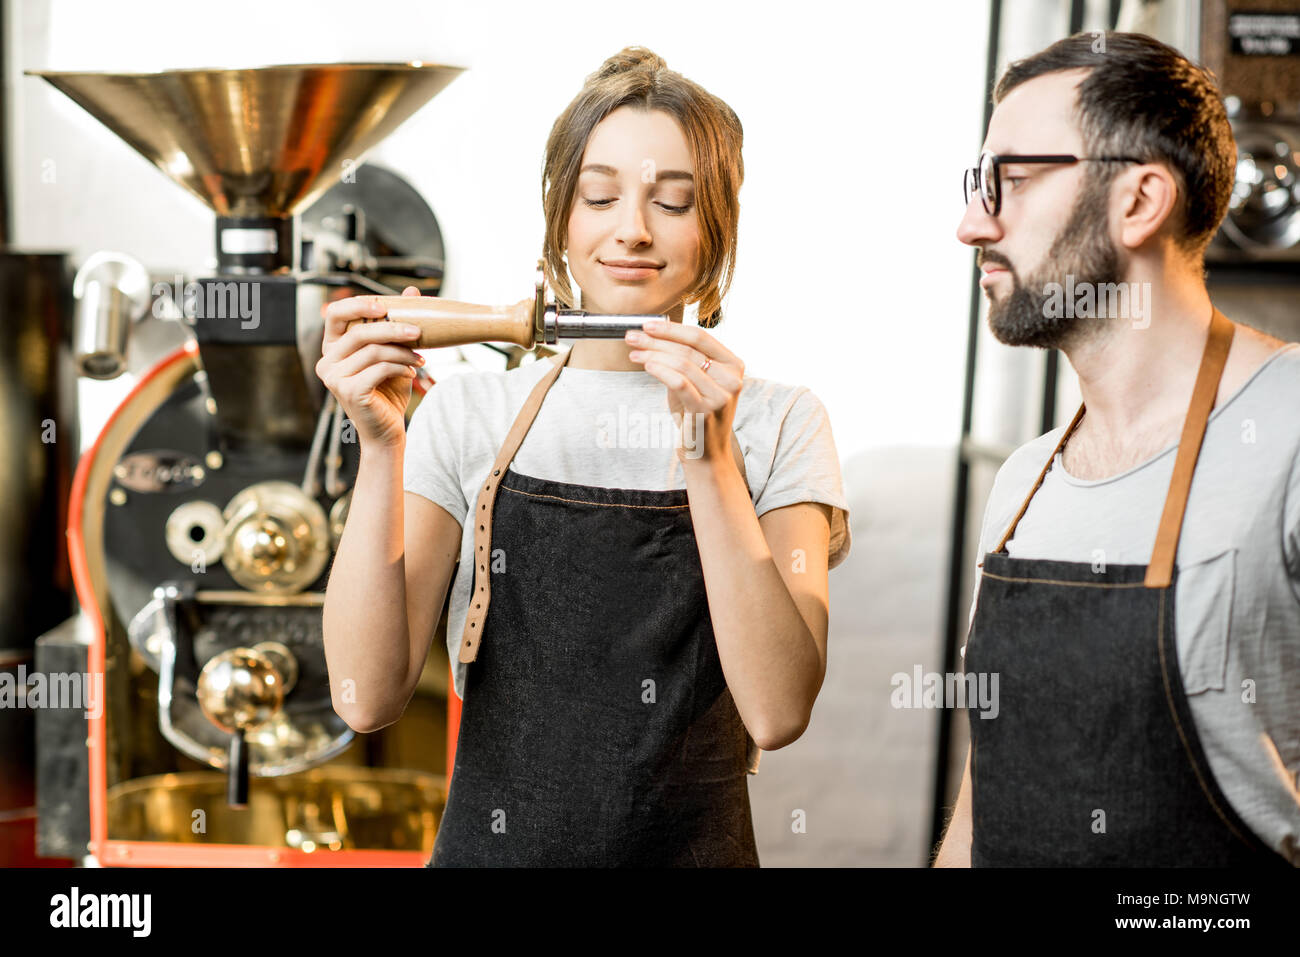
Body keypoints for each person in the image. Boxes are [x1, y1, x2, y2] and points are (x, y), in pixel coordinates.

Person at [315, 46, 850, 867]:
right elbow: (365, 696)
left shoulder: (779, 423)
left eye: (674, 201)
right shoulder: (468, 414)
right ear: (562, 216)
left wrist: (710, 460)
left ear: (718, 231)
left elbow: (778, 710)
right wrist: (382, 449)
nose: (631, 229)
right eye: (599, 196)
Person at [935, 32, 1299, 867]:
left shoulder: (1289, 432)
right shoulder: (1025, 483)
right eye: (977, 186)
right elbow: (975, 814)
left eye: (1013, 183)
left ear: (1138, 202)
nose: (970, 224)